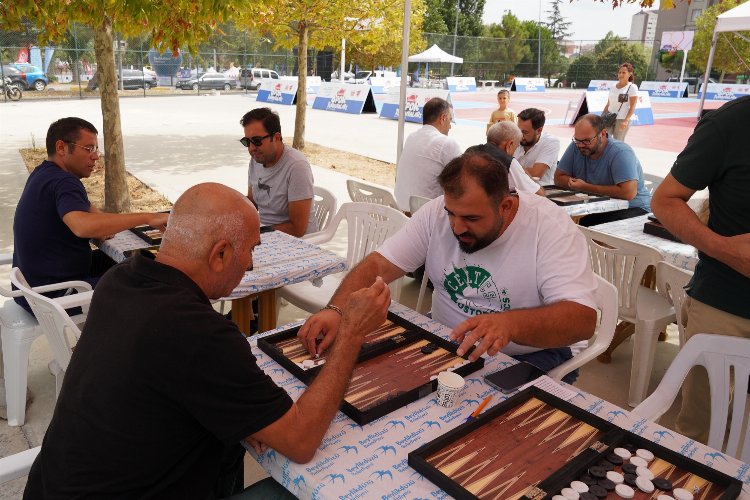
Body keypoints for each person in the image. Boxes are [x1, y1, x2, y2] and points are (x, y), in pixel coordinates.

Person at [24, 183, 390, 499]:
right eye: (250, 249)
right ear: (220, 254)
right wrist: (352, 333)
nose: (249, 265)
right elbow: (301, 441)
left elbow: (166, 379)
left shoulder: (120, 280)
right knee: (292, 491)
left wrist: (244, 419)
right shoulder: (199, 333)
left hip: (51, 487)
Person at [299, 151, 598, 381]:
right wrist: (336, 309)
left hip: (530, 354)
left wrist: (509, 324)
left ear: (505, 206)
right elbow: (379, 264)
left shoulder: (550, 228)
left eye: (471, 219)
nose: (457, 228)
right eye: (451, 213)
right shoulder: (435, 215)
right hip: (443, 336)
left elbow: (582, 320)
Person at [651, 95, 750, 444]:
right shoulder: (732, 123)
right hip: (725, 305)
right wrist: (723, 248)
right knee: (698, 432)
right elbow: (664, 199)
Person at [12, 117, 168, 314]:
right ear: (61, 147)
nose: (95, 157)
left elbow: (92, 215)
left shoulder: (43, 174)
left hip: (33, 288)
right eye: (88, 149)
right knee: (153, 279)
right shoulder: (64, 181)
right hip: (55, 296)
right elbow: (82, 226)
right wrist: (148, 218)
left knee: (138, 262)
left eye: (96, 149)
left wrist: (101, 227)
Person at [555, 113, 651, 226]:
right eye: (577, 140)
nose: (580, 145)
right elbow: (558, 177)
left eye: (586, 141)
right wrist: (577, 185)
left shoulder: (620, 152)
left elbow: (628, 193)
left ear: (603, 134)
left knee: (587, 223)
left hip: (635, 207)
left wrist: (585, 187)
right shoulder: (576, 146)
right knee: (555, 216)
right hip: (600, 206)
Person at [242, 107, 316, 237]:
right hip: (265, 233)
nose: (252, 148)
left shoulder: (297, 166)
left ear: (276, 137)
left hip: (296, 241)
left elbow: (297, 229)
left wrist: (258, 232)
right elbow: (252, 203)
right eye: (247, 142)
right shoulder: (256, 159)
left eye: (257, 141)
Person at [393, 97, 463, 212]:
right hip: (427, 218)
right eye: (450, 120)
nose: (450, 126)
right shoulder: (447, 143)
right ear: (443, 118)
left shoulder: (411, 137)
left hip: (400, 213)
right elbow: (465, 179)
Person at [485, 121, 544, 196]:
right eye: (515, 147)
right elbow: (539, 194)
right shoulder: (508, 162)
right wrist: (524, 173)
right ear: (509, 145)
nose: (514, 152)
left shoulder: (471, 152)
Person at [513, 108, 560, 186]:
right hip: (517, 188)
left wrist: (511, 170)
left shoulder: (551, 142)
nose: (520, 135)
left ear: (539, 130)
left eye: (525, 132)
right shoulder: (517, 137)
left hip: (542, 191)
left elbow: (536, 174)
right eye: (518, 130)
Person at [602, 62, 638, 141]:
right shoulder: (613, 87)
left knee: (617, 142)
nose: (621, 74)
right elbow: (608, 104)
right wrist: (602, 117)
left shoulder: (632, 87)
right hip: (609, 118)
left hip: (622, 119)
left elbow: (632, 106)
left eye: (624, 72)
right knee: (605, 139)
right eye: (619, 72)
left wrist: (626, 121)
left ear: (630, 74)